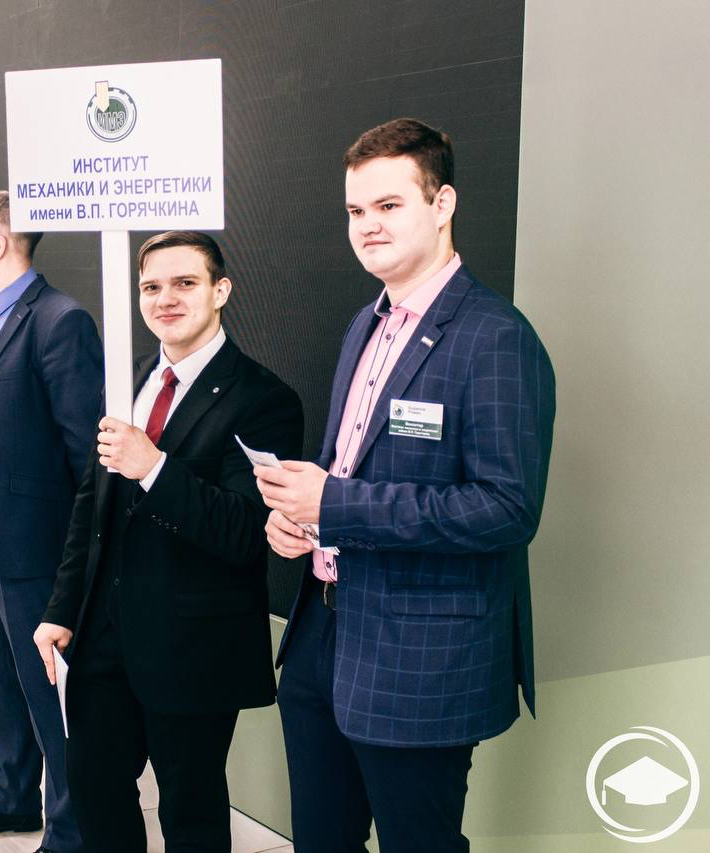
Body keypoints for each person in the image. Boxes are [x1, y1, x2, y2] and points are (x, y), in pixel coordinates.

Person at [256, 118, 556, 853]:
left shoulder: (495, 337)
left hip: (418, 658)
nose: (368, 226)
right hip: (322, 635)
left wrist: (335, 503)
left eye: (389, 205)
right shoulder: (366, 324)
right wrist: (302, 521)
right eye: (356, 210)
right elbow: (347, 468)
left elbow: (506, 508)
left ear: (442, 203)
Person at [34, 231, 304, 852]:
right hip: (103, 638)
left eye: (185, 283)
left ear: (221, 290)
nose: (166, 299)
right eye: (152, 287)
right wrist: (61, 609)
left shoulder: (264, 399)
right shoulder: (127, 379)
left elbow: (243, 532)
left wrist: (153, 467)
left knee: (191, 813)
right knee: (95, 793)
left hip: (193, 645)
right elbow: (91, 508)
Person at [0, 190, 102, 852]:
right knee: (1, 685)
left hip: (34, 549)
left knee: (48, 699)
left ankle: (71, 831)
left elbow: (85, 453)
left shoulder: (61, 320)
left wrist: (75, 561)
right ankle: (13, 797)